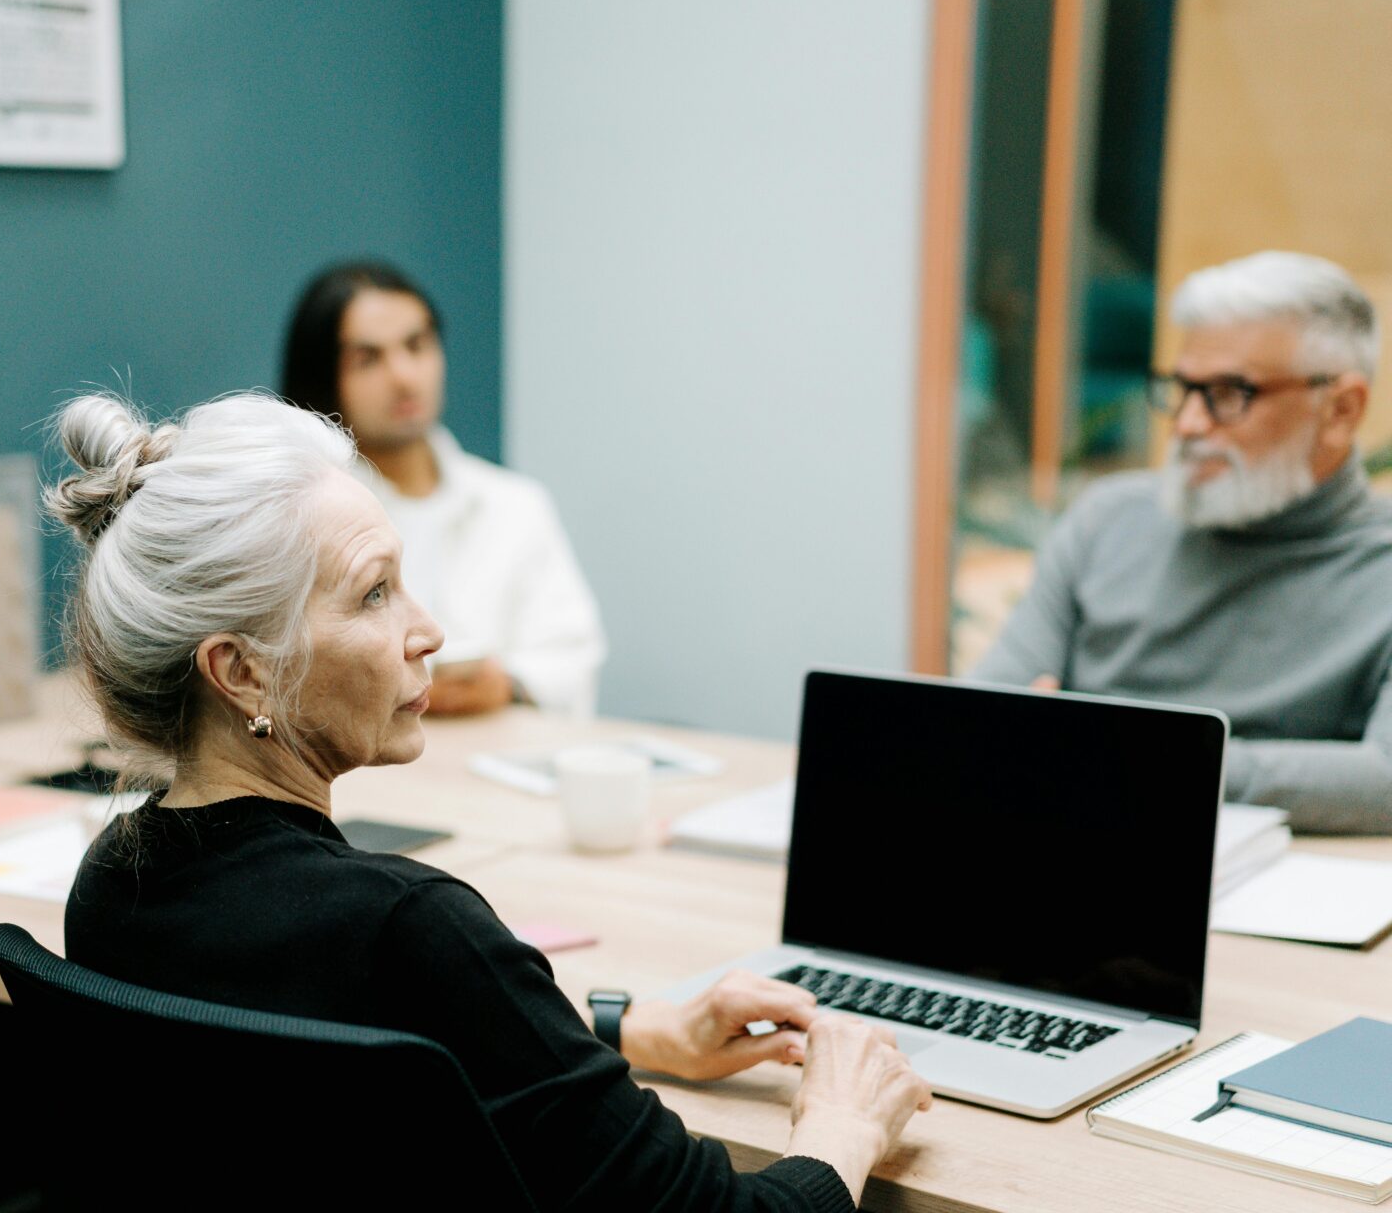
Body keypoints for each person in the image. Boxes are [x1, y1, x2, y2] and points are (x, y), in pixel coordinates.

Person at [54, 391, 930, 1213]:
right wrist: (841, 1128)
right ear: (242, 672)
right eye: (374, 593)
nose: (429, 630)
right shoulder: (411, 929)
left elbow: (347, 1052)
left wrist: (628, 1031)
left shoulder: (111, 885)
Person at [973, 251, 1392, 833]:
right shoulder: (1108, 519)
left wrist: (1140, 756)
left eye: (1229, 392)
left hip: (1272, 882)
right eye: (1183, 387)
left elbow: (1385, 780)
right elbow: (987, 714)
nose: (1190, 424)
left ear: (1341, 410)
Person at [281, 260, 607, 717]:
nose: (403, 375)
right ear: (324, 377)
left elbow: (572, 654)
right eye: (368, 358)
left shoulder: (515, 504)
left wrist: (507, 684)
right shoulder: (300, 516)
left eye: (417, 345)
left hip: (497, 760)